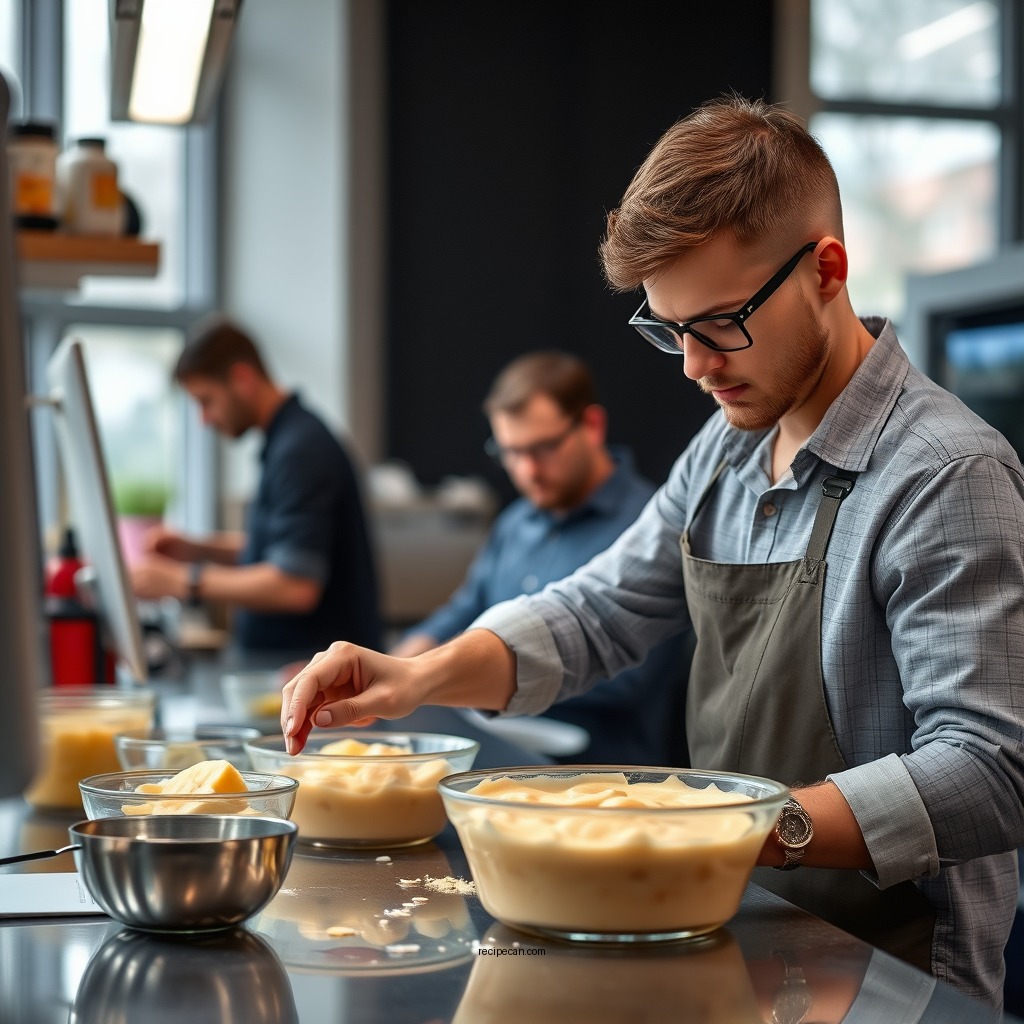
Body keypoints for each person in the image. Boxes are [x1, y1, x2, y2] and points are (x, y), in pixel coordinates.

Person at [278, 97, 1024, 1007]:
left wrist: (739, 826)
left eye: (719, 323)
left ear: (827, 268)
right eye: (668, 329)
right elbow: (598, 609)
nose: (693, 365)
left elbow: (990, 767)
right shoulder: (728, 449)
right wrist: (418, 675)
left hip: (894, 977)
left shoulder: (947, 473)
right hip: (739, 931)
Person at [390, 351, 689, 765]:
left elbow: (626, 679)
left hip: (599, 768)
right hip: (496, 743)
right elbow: (464, 609)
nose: (527, 470)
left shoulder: (652, 526)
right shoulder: (514, 522)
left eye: (544, 448)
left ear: (592, 425)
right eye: (510, 451)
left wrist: (442, 676)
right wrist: (393, 668)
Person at [130, 317, 382, 662]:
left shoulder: (301, 452)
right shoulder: (287, 442)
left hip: (312, 679)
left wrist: (181, 581)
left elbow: (295, 585)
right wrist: (195, 548)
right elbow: (280, 550)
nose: (204, 419)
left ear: (242, 378)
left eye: (207, 401)